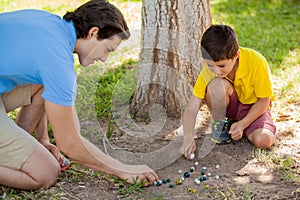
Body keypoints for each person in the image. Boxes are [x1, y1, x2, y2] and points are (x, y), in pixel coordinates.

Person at [0, 0, 159, 190]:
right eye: (107, 50)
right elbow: (70, 144)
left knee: (43, 82)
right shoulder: (58, 63)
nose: (103, 59)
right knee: (46, 172)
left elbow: (45, 81)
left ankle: (21, 148)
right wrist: (122, 169)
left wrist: (43, 140)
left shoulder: (51, 23)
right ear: (93, 33)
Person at [182, 24, 276, 158]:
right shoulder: (209, 69)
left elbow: (264, 101)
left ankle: (241, 127)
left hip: (254, 108)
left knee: (264, 140)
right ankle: (222, 125)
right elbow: (193, 105)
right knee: (216, 85)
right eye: (210, 65)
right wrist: (188, 136)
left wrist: (243, 124)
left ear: (236, 55)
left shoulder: (257, 62)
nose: (216, 70)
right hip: (231, 106)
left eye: (221, 66)